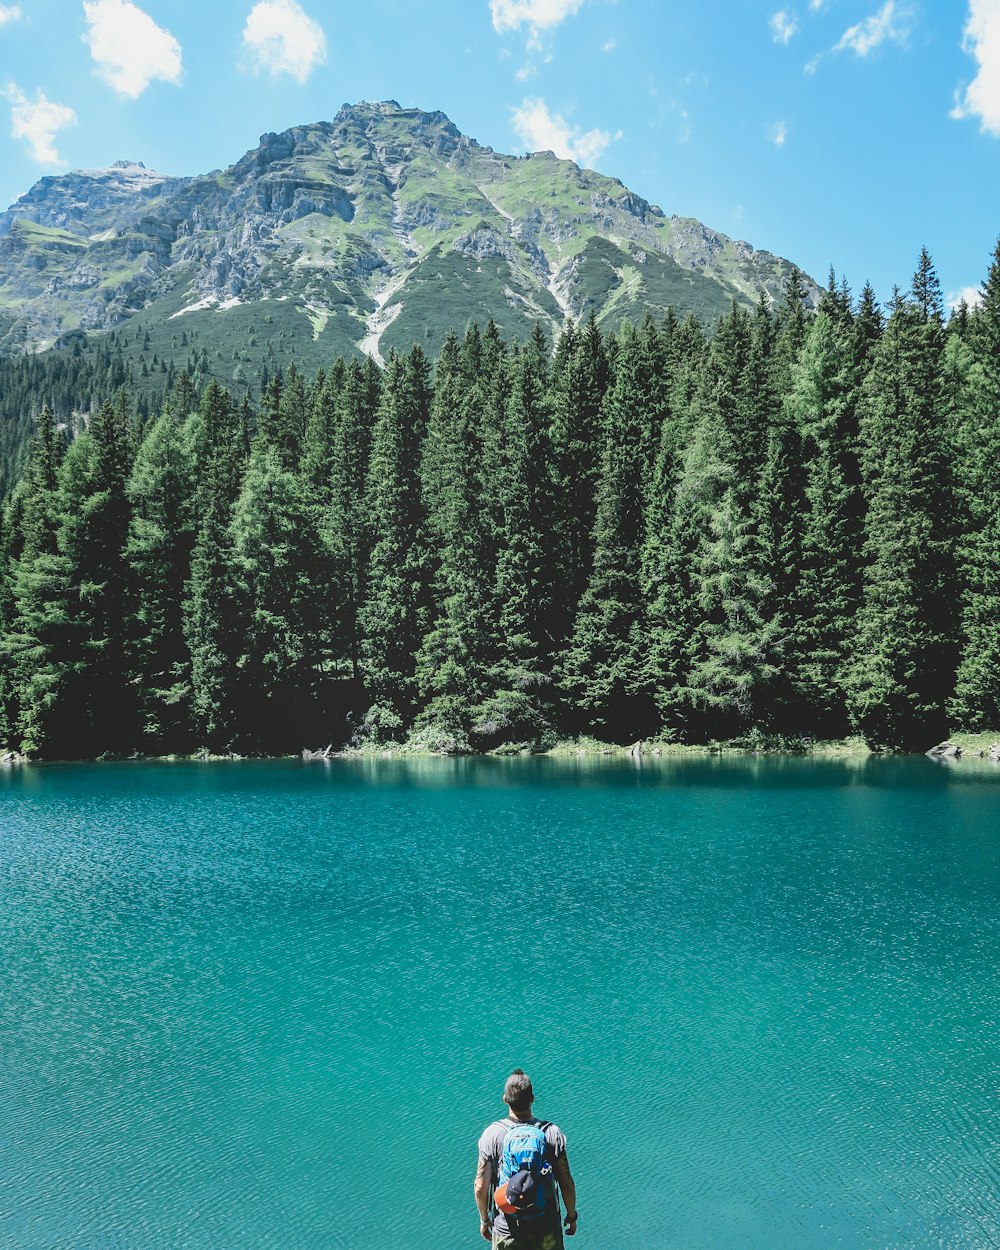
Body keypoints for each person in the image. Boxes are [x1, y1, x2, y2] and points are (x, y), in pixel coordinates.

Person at [474, 1069, 578, 1248]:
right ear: (532, 1099)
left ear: (505, 1099)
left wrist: (485, 1220)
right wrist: (571, 1215)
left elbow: (480, 1186)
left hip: (507, 1230)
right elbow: (566, 1182)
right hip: (546, 1229)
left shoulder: (492, 1135)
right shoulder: (551, 1133)